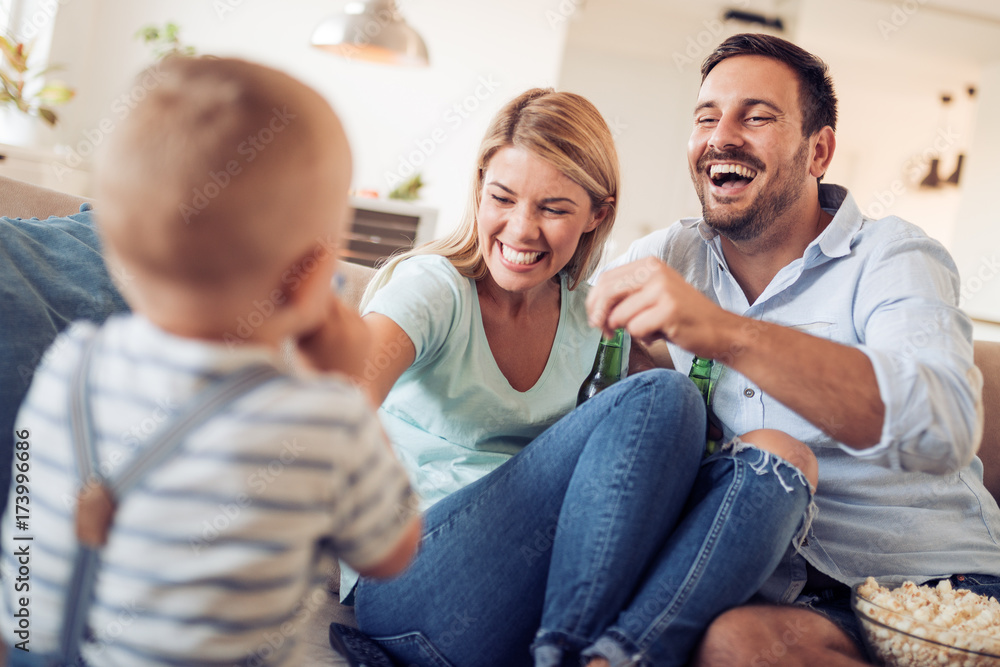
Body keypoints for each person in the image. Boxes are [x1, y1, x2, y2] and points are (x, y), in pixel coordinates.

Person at [344, 87, 819, 667]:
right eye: (502, 198)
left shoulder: (595, 319)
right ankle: (570, 653)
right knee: (666, 396)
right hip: (414, 585)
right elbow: (343, 403)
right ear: (479, 190)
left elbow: (665, 457)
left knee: (780, 462)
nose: (520, 230)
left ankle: (616, 656)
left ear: (598, 213)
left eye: (553, 209)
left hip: (526, 612)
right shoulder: (435, 287)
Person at [587, 33, 1000, 666]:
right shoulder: (666, 258)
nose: (722, 137)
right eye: (707, 117)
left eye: (756, 117)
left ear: (819, 150)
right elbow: (564, 359)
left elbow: (942, 424)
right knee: (735, 647)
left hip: (936, 585)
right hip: (783, 599)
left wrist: (728, 333)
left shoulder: (893, 255)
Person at [0, 57, 421, 666]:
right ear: (310, 278)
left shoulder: (71, 363)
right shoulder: (322, 419)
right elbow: (393, 552)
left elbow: (26, 543)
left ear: (111, 244)